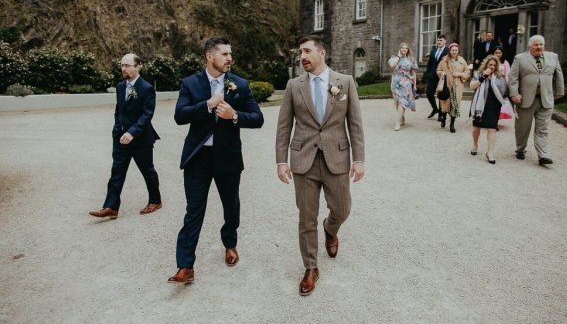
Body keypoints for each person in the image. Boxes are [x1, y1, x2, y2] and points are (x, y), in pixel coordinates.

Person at [168, 37, 264, 284]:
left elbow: (257, 117)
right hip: (198, 157)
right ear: (210, 57)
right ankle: (185, 265)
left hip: (228, 157)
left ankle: (230, 243)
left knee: (231, 206)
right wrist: (207, 105)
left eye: (230, 54)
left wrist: (234, 116)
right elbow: (179, 115)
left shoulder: (240, 84)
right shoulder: (190, 83)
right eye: (224, 54)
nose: (229, 58)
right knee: (194, 211)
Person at [275, 35, 365, 296]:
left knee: (342, 208)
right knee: (306, 217)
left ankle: (330, 229)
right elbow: (284, 126)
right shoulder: (294, 86)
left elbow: (355, 124)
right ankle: (311, 268)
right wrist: (282, 161)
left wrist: (358, 159)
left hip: (336, 157)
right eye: (299, 52)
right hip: (303, 160)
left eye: (306, 51)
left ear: (322, 53)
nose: (302, 56)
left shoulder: (344, 82)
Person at [89, 53, 161, 219]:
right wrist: (117, 129)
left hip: (141, 139)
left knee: (147, 170)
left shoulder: (146, 88)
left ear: (137, 66)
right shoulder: (121, 87)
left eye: (127, 65)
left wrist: (132, 132)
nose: (123, 68)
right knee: (117, 171)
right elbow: (119, 110)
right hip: (120, 138)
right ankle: (111, 206)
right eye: (122, 65)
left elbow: (147, 115)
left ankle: (155, 200)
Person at [509, 35, 564, 165]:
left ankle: (543, 155)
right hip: (525, 99)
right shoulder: (520, 58)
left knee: (542, 129)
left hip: (546, 98)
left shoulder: (553, 57)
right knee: (523, 128)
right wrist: (514, 94)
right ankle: (520, 149)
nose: (539, 47)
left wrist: (559, 91)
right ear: (530, 46)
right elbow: (513, 78)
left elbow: (558, 74)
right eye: (536, 45)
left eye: (541, 45)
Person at [469, 55, 508, 164]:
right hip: (480, 105)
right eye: (490, 64)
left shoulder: (500, 76)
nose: (492, 67)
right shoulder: (478, 74)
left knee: (492, 128)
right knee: (476, 127)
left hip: (493, 105)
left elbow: (504, 90)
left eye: (494, 65)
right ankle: (475, 145)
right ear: (486, 64)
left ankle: (490, 152)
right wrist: (483, 77)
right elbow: (472, 86)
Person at [436, 43, 470, 133]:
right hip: (446, 85)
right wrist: (442, 73)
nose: (454, 52)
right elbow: (438, 70)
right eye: (452, 50)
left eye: (456, 50)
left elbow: (467, 72)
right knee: (445, 104)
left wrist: (460, 74)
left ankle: (452, 124)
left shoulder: (462, 60)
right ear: (449, 51)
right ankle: (443, 117)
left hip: (457, 86)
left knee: (455, 105)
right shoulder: (444, 60)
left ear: (458, 50)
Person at [388, 42, 418, 130]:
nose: (404, 49)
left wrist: (415, 85)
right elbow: (392, 65)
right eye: (403, 48)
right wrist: (398, 57)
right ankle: (402, 117)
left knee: (403, 102)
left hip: (406, 82)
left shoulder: (411, 59)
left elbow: (413, 72)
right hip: (396, 82)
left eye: (406, 48)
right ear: (400, 49)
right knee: (397, 102)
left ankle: (397, 122)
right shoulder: (394, 58)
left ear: (408, 50)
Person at [425, 35, 448, 119]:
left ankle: (441, 114)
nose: (439, 42)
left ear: (445, 41)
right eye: (438, 40)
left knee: (440, 95)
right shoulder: (433, 50)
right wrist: (427, 74)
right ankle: (435, 109)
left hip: (442, 76)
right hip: (432, 76)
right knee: (429, 93)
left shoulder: (448, 51)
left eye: (441, 40)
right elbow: (430, 64)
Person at [494, 47, 514, 121]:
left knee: (499, 100)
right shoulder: (491, 61)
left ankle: (496, 120)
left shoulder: (505, 63)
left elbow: (507, 74)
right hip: (492, 82)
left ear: (502, 53)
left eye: (499, 53)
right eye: (496, 53)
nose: (498, 54)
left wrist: (509, 85)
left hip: (502, 83)